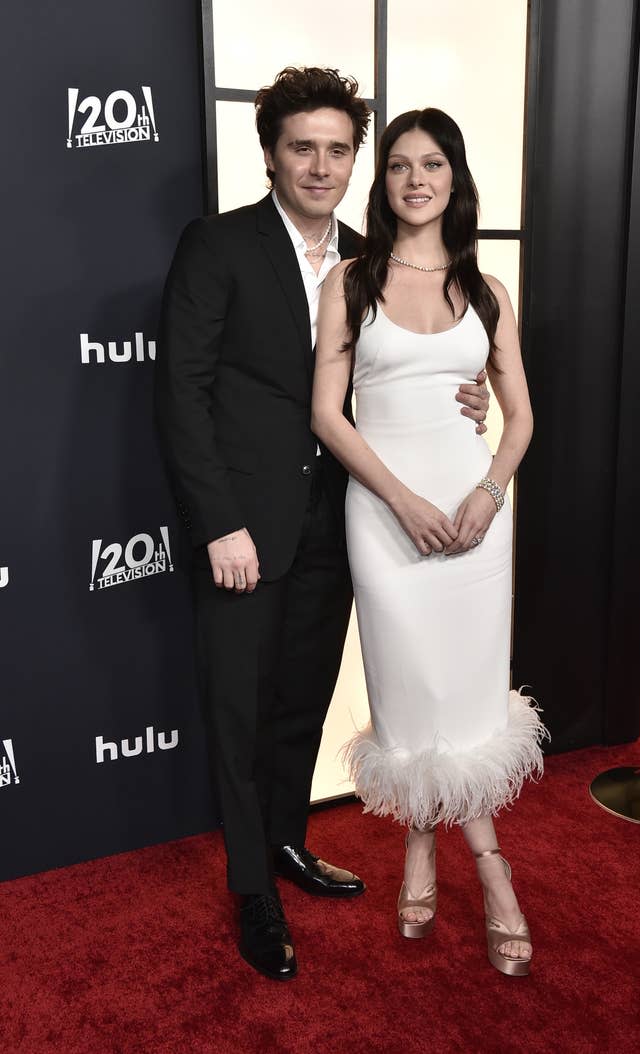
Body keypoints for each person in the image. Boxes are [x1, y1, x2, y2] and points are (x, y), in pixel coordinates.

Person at [155, 72, 492, 981]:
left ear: (356, 163)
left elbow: (394, 374)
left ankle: (287, 843)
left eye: (339, 149)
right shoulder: (217, 245)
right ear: (269, 152)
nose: (321, 165)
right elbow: (180, 393)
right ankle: (249, 891)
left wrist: (464, 388)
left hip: (340, 520)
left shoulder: (367, 260)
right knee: (239, 704)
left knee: (303, 692)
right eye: (302, 147)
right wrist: (219, 523)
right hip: (244, 527)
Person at [312, 108, 548, 977]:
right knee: (411, 693)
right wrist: (404, 501)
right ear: (386, 185)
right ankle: (492, 871)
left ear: (455, 180)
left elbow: (518, 416)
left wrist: (489, 492)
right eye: (402, 165)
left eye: (434, 163)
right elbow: (324, 414)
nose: (417, 178)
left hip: (477, 518)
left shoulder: (486, 294)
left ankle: (425, 845)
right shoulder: (352, 279)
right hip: (384, 514)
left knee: (469, 700)